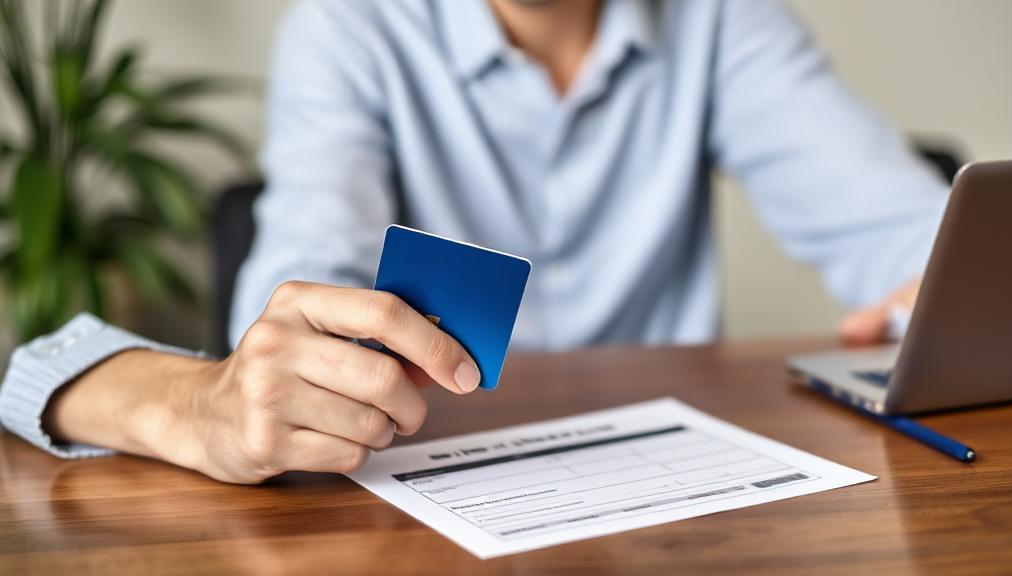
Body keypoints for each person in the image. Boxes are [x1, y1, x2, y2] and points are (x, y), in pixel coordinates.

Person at [0, 0, 946, 483]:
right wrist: (253, 383)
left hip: (682, 491)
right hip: (425, 483)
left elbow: (912, 236)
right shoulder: (351, 25)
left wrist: (941, 290)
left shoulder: (723, 20)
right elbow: (306, 273)